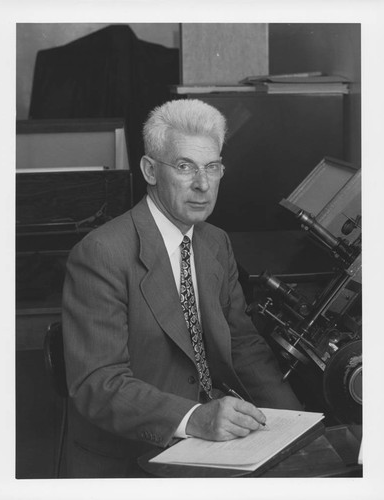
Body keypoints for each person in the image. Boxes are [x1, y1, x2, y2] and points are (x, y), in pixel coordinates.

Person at [62, 99, 302, 478]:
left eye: (212, 167)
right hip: (137, 451)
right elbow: (99, 382)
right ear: (150, 170)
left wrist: (295, 426)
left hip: (214, 439)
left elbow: (243, 346)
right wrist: (193, 418)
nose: (203, 184)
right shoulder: (101, 253)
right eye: (185, 166)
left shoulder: (215, 241)